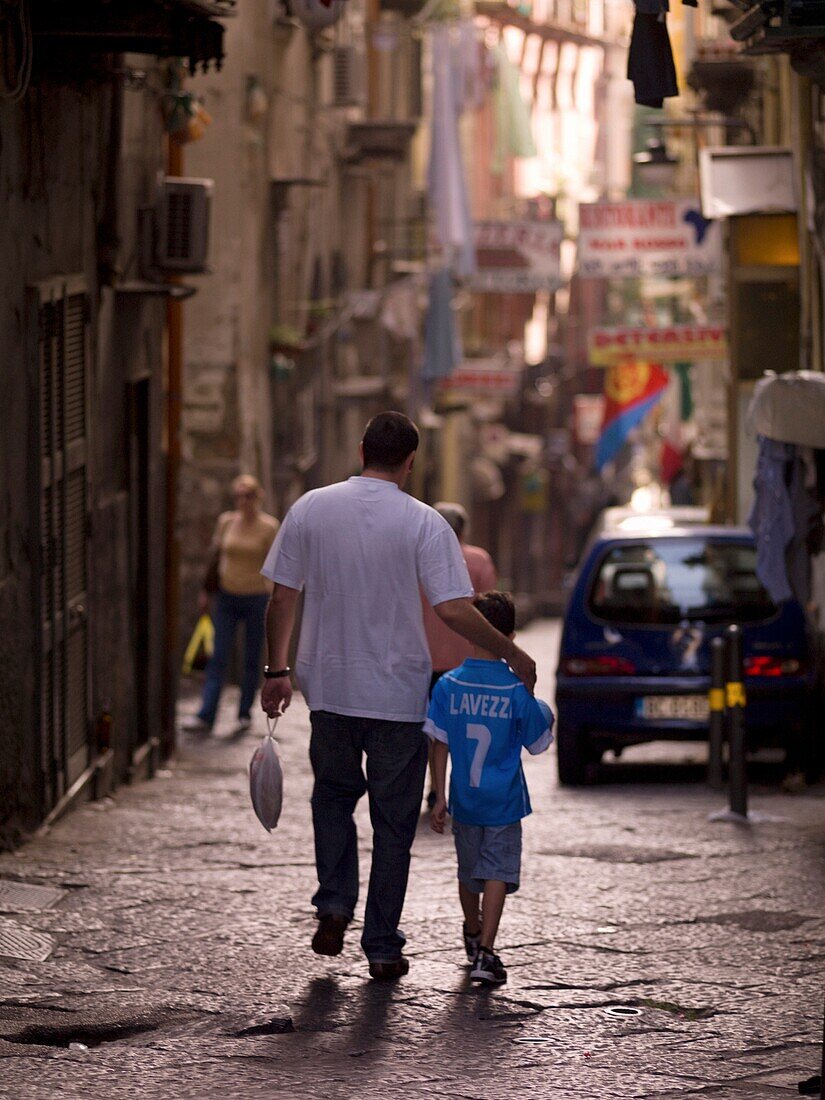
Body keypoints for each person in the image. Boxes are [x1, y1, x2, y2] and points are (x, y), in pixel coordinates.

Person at [259, 411, 537, 982]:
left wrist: (276, 671)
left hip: (330, 690)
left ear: (361, 448)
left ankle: (334, 903)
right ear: (411, 462)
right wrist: (510, 651)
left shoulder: (310, 508)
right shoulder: (425, 522)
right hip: (398, 697)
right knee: (392, 825)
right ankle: (381, 944)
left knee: (333, 799)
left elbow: (281, 599)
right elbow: (454, 609)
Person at [427, 590, 554, 986]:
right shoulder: (514, 690)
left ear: (469, 633)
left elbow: (439, 742)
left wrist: (439, 794)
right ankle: (486, 950)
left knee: (469, 873)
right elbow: (538, 740)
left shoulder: (448, 685)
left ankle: (471, 928)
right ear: (510, 637)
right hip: (504, 801)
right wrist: (533, 695)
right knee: (497, 871)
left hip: (465, 799)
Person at [182, 475, 279, 735]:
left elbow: (276, 563)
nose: (243, 501)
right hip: (226, 596)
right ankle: (207, 714)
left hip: (256, 597)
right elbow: (215, 557)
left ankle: (244, 712)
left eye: (248, 496)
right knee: (218, 656)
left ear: (258, 498)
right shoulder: (226, 522)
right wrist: (207, 591)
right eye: (239, 496)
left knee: (250, 657)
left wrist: (273, 596)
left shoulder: (268, 527)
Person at [422, 502, 497, 806]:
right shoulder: (478, 560)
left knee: (432, 728)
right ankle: (465, 784)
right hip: (468, 659)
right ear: (463, 529)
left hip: (425, 659)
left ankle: (435, 785)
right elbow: (492, 609)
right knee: (468, 726)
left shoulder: (419, 559)